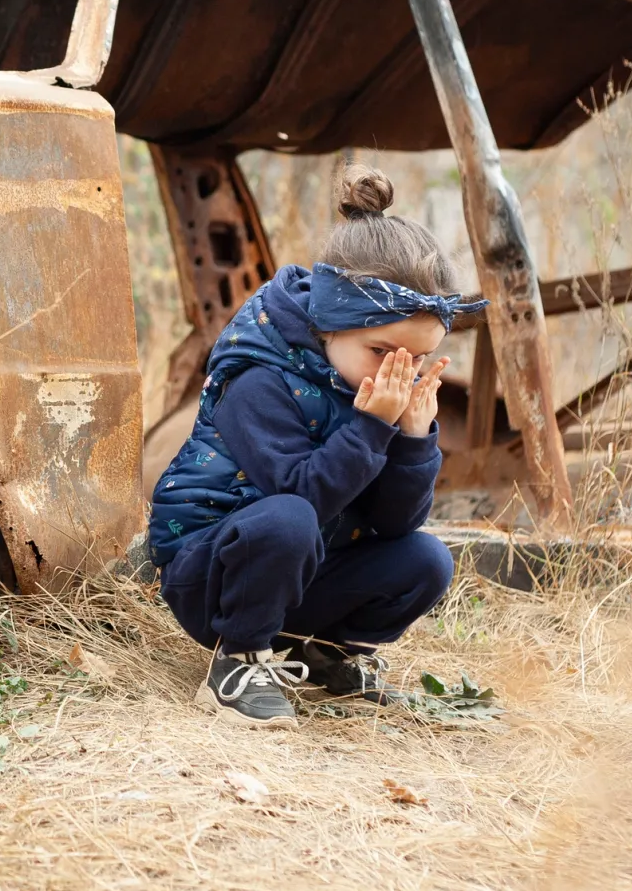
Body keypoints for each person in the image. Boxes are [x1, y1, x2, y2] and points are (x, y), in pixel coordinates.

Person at [147, 167, 484, 728]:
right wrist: (373, 428)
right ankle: (238, 662)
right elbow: (300, 494)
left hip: (305, 572)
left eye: (418, 360)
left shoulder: (368, 387)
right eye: (383, 351)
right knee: (289, 518)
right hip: (216, 575)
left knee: (426, 558)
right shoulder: (258, 379)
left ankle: (325, 651)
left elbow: (395, 523)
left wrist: (413, 441)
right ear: (330, 325)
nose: (401, 372)